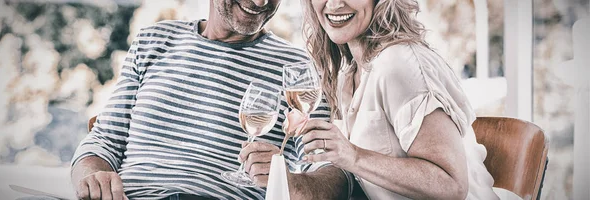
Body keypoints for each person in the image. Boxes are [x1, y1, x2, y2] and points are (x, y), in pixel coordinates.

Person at [70, 0, 351, 199]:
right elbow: (103, 140)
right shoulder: (152, 41)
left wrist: (287, 180)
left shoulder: (299, 69)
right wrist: (92, 176)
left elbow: (334, 175)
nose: (260, 1)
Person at [297, 0, 500, 199]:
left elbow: (452, 185)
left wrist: (353, 156)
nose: (333, 4)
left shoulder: (398, 63)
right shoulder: (348, 74)